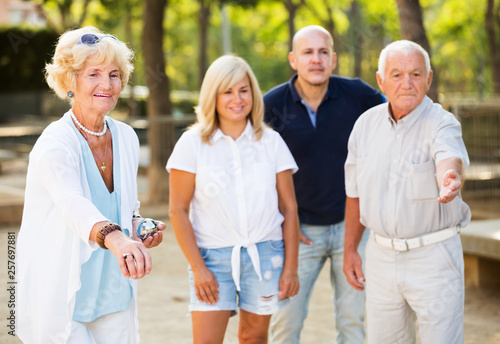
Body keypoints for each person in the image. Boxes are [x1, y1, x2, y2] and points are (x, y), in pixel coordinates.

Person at [16, 26, 166, 344]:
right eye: (93, 74)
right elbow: (72, 204)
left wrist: (138, 227)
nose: (107, 85)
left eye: (114, 74)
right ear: (70, 80)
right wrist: (119, 241)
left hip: (113, 293)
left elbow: (126, 208)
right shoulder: (54, 143)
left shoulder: (125, 136)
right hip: (63, 297)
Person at [343, 40, 470, 343]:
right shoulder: (364, 126)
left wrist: (451, 176)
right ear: (381, 80)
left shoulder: (442, 123)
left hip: (434, 258)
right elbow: (355, 193)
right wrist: (350, 250)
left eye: (416, 74)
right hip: (380, 256)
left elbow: (448, 156)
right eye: (397, 74)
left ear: (429, 78)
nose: (407, 83)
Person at [167, 55, 300, 343]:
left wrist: (290, 269)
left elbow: (289, 207)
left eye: (243, 90)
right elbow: (177, 210)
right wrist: (198, 268)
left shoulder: (271, 142)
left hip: (265, 254)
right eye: (227, 91)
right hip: (212, 259)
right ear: (212, 95)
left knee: (254, 337)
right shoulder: (192, 144)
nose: (236, 99)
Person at [264, 25, 384, 343]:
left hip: (353, 229)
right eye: (307, 52)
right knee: (286, 322)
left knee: (352, 322)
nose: (315, 59)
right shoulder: (271, 106)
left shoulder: (358, 95)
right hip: (299, 232)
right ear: (293, 60)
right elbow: (253, 167)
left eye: (323, 52)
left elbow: (397, 121)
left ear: (333, 59)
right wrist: (281, 218)